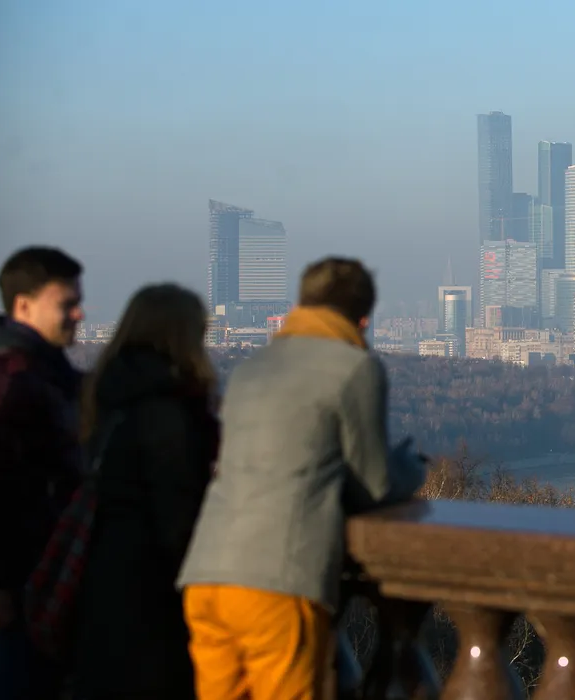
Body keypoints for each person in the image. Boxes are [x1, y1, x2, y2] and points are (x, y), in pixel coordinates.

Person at [178, 257, 426, 699]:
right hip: (277, 580)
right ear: (364, 317)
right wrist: (414, 467)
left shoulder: (253, 367)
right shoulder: (354, 368)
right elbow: (374, 484)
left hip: (207, 576)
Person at [71, 284, 220, 700]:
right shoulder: (166, 411)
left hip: (103, 584)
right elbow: (178, 518)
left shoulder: (106, 395)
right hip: (152, 598)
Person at [0, 246, 85, 700]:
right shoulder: (15, 379)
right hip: (20, 585)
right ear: (24, 304)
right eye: (66, 303)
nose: (79, 312)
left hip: (38, 575)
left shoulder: (45, 374)